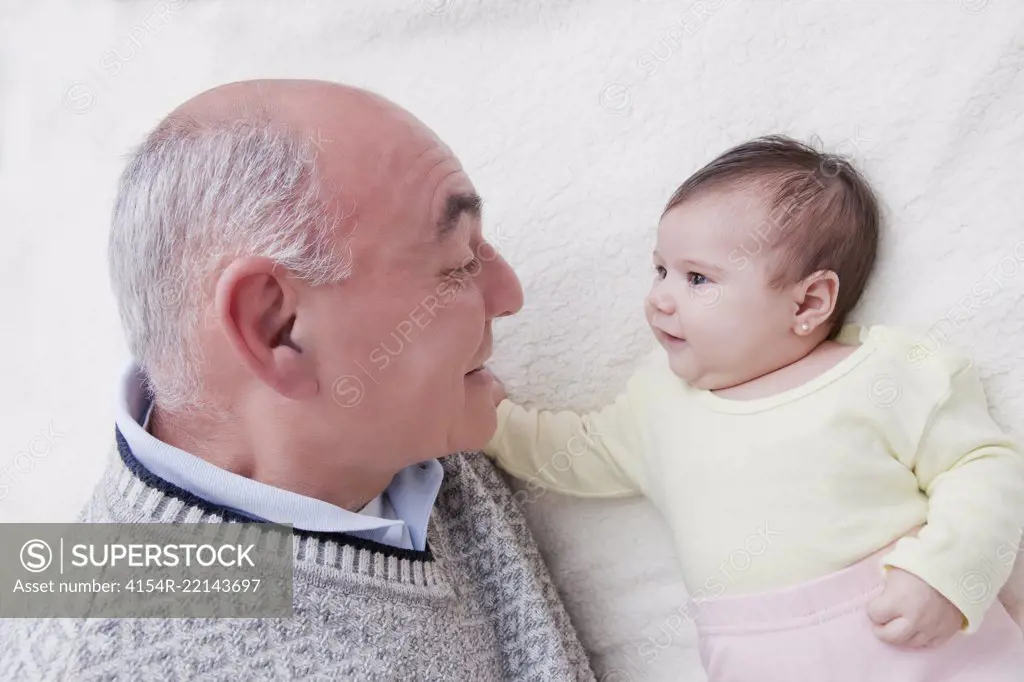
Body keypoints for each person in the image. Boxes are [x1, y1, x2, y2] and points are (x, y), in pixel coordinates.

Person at [0, 79, 594, 680]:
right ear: (276, 327)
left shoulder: (403, 430)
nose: (509, 294)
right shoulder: (92, 648)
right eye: (459, 263)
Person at [485, 135, 1024, 681]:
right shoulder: (660, 405)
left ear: (809, 303)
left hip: (921, 644)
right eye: (660, 270)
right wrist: (486, 421)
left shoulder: (886, 373)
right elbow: (573, 452)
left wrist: (948, 572)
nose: (659, 297)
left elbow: (983, 469)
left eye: (697, 278)